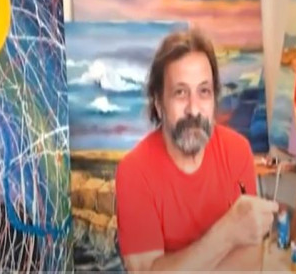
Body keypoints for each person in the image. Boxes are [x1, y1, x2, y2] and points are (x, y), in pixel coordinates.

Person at [115, 28, 278, 272]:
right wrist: (227, 232)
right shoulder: (133, 172)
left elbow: (250, 262)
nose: (193, 109)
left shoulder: (238, 151)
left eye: (204, 92)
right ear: (158, 103)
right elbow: (145, 270)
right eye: (180, 93)